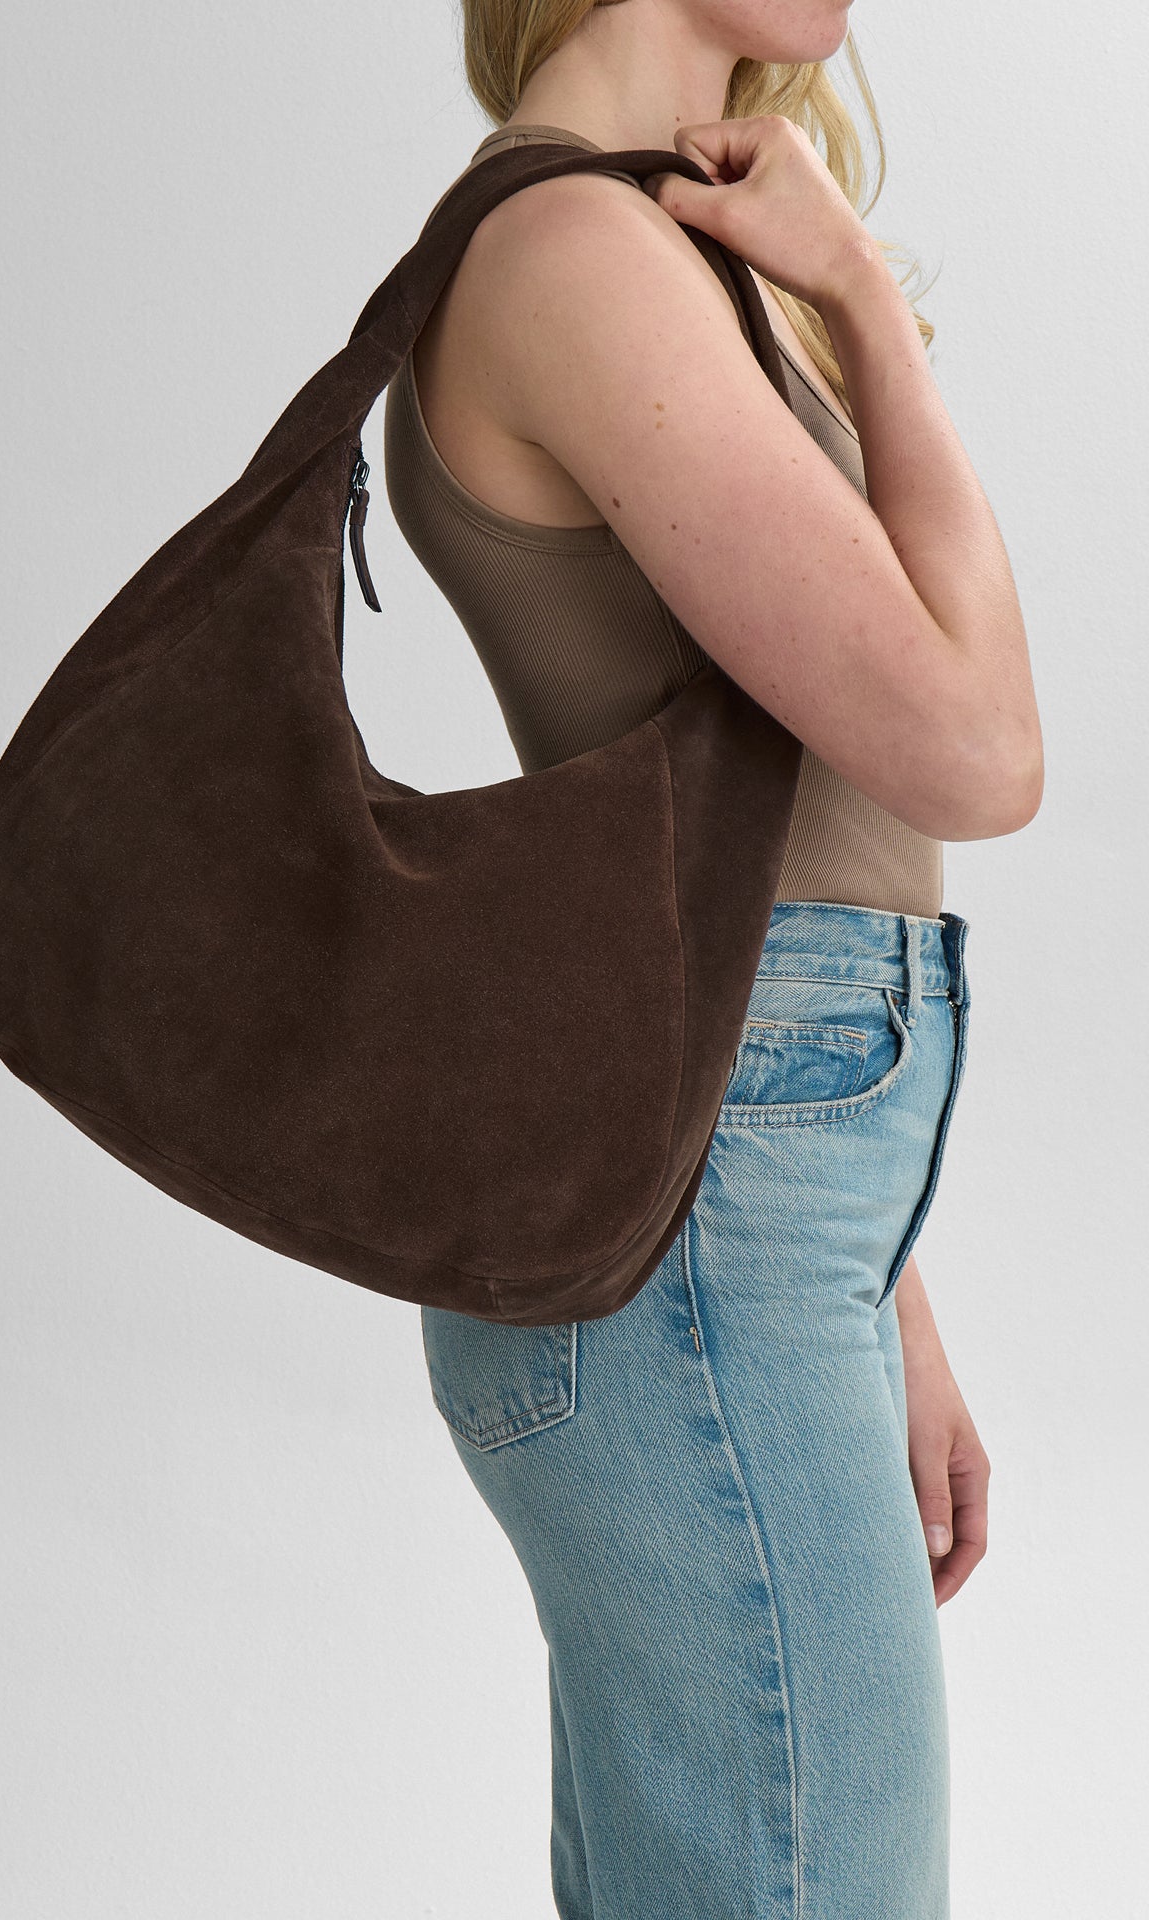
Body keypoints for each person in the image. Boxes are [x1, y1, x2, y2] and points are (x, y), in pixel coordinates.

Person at [381, 3, 1044, 1914]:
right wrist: (866, 302)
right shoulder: (572, 250)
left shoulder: (642, 239)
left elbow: (735, 834)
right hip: (709, 1219)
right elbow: (976, 752)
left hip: (740, 1190)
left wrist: (888, 1286)